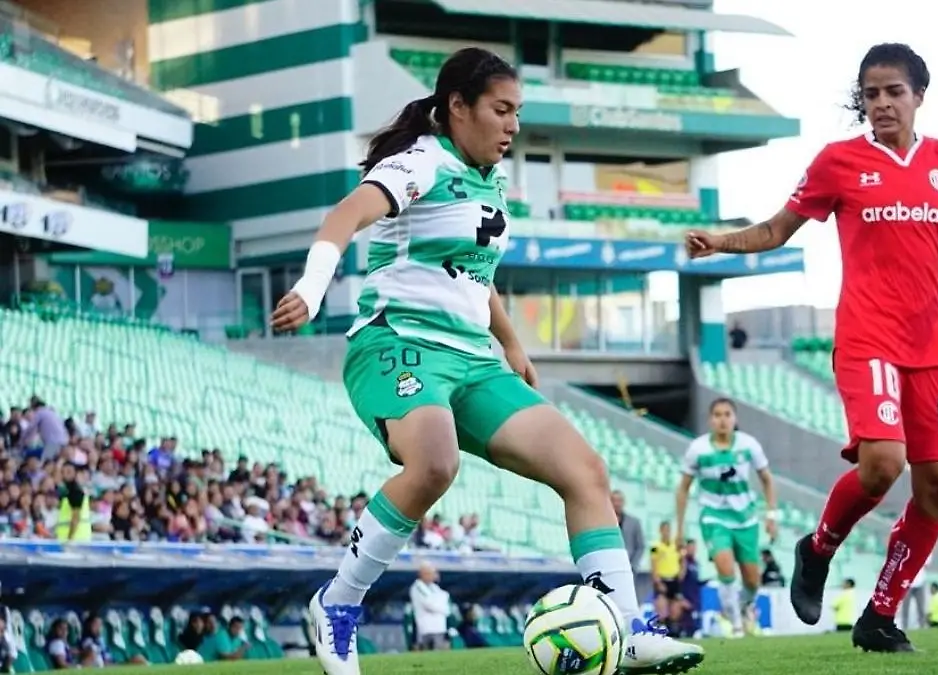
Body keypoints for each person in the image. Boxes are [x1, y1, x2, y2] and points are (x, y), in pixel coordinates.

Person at [269, 47, 702, 675]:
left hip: (472, 360)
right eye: (502, 110)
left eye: (518, 113)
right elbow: (346, 215)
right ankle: (337, 606)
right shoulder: (420, 162)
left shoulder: (489, 179)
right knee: (434, 463)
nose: (512, 126)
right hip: (396, 342)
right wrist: (311, 289)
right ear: (457, 107)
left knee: (586, 472)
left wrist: (512, 340)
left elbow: (474, 273)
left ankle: (628, 629)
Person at [686, 43, 938, 652]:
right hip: (868, 340)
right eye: (871, 93)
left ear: (919, 95)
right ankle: (818, 549)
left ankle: (880, 615)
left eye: (894, 92)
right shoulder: (839, 162)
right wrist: (722, 243)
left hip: (933, 346)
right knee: (883, 465)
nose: (882, 103)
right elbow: (779, 229)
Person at [674, 398, 777, 639]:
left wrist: (771, 515)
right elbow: (683, 488)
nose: (722, 419)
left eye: (727, 414)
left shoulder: (748, 445)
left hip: (746, 519)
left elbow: (767, 479)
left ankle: (743, 606)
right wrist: (679, 528)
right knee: (726, 569)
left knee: (753, 580)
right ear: (710, 419)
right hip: (714, 517)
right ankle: (736, 627)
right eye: (717, 414)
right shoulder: (698, 449)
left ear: (735, 418)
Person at [649, 521, 684, 634]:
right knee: (662, 609)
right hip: (662, 579)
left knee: (675, 610)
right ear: (660, 531)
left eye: (668, 530)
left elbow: (683, 560)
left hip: (674, 580)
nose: (666, 532)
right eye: (664, 530)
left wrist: (681, 573)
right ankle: (660, 630)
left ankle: (674, 631)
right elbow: (653, 564)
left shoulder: (676, 546)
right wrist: (657, 581)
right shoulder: (655, 546)